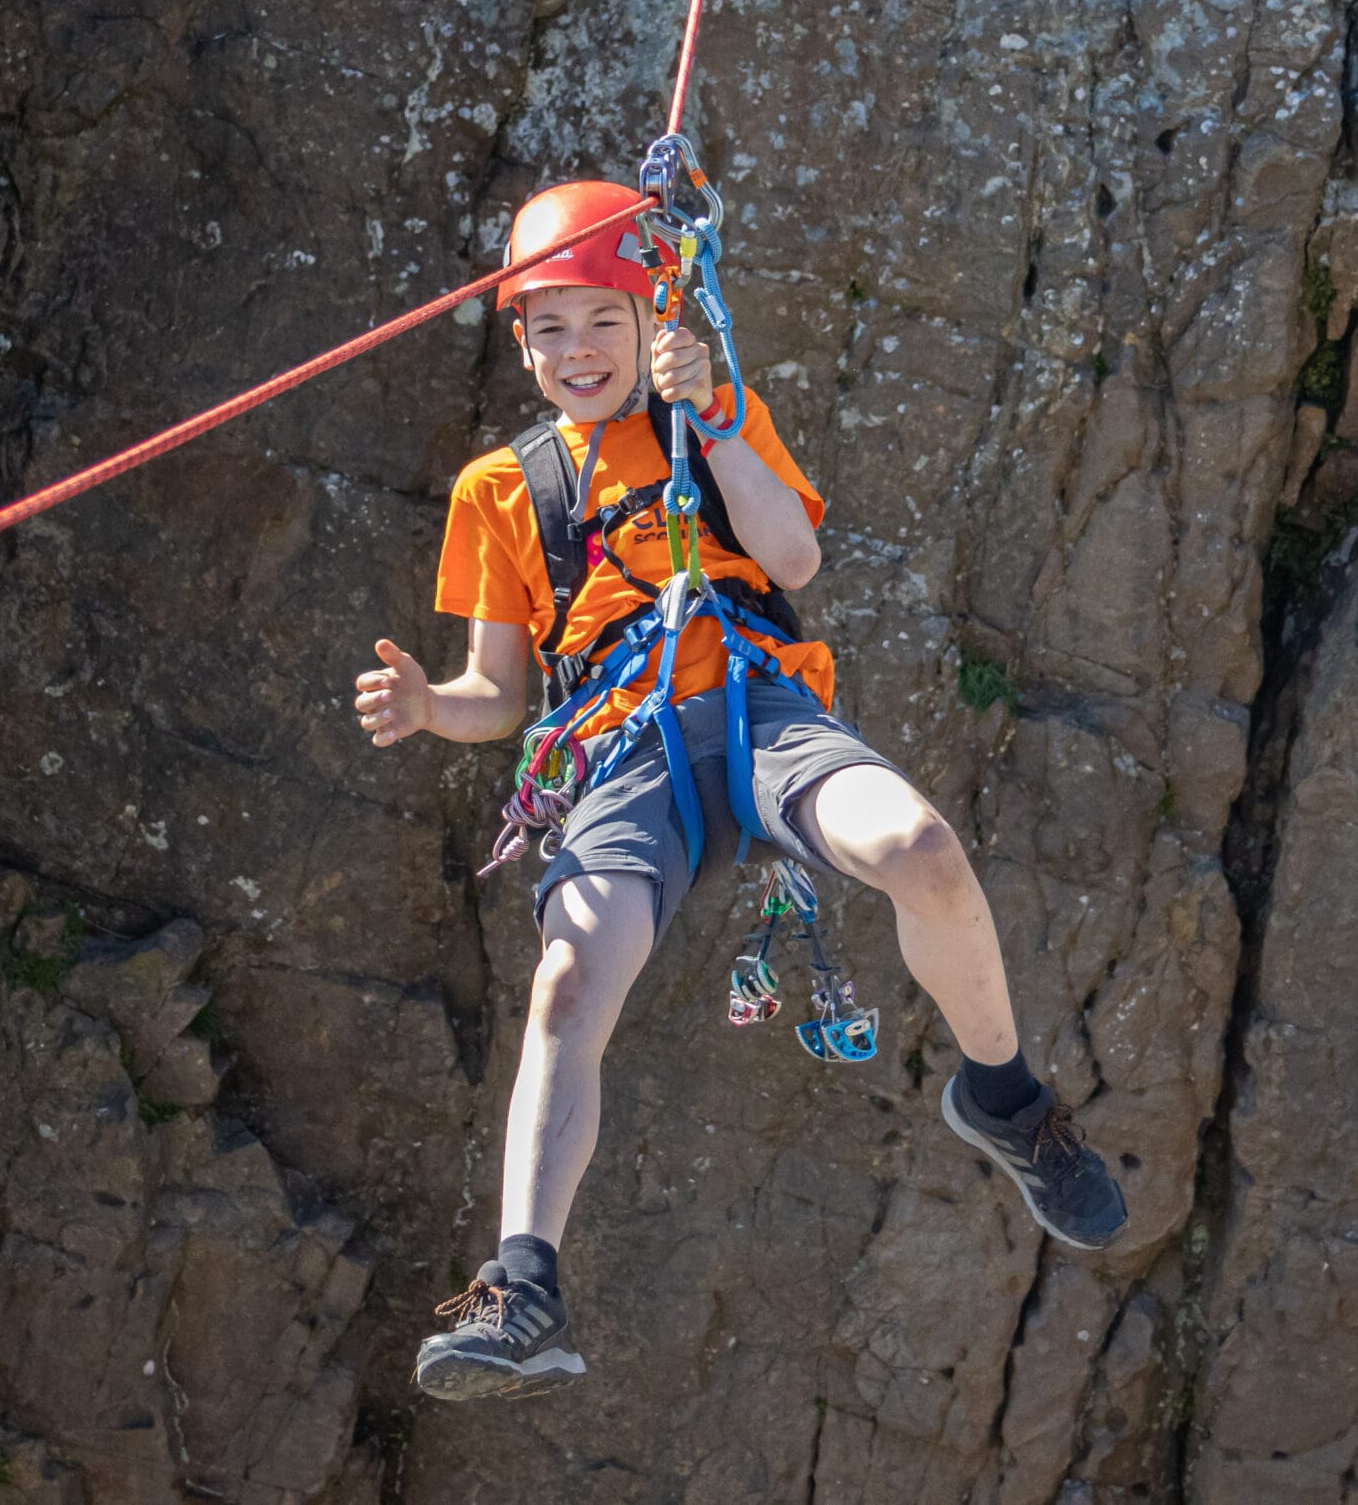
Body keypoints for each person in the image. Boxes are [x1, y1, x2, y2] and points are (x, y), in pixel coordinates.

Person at [354, 180, 1128, 1404]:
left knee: (921, 849)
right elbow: (499, 690)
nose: (577, 351)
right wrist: (431, 709)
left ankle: (1003, 1097)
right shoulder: (500, 491)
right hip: (621, 748)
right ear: (520, 343)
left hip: (757, 704)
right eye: (549, 328)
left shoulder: (709, 418)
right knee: (570, 974)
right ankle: (520, 1284)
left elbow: (795, 558)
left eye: (601, 320)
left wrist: (709, 415)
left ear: (648, 311)